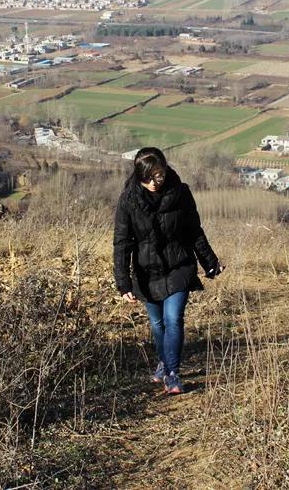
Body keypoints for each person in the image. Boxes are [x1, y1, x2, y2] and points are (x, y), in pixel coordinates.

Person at [113, 147, 224, 395]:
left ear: (165, 170)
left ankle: (172, 374)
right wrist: (123, 283)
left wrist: (210, 262)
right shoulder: (128, 199)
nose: (153, 182)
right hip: (146, 271)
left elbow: (195, 231)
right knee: (157, 323)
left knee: (174, 319)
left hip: (178, 266)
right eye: (147, 177)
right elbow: (122, 242)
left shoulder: (181, 193)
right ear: (138, 175)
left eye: (158, 175)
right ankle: (163, 363)